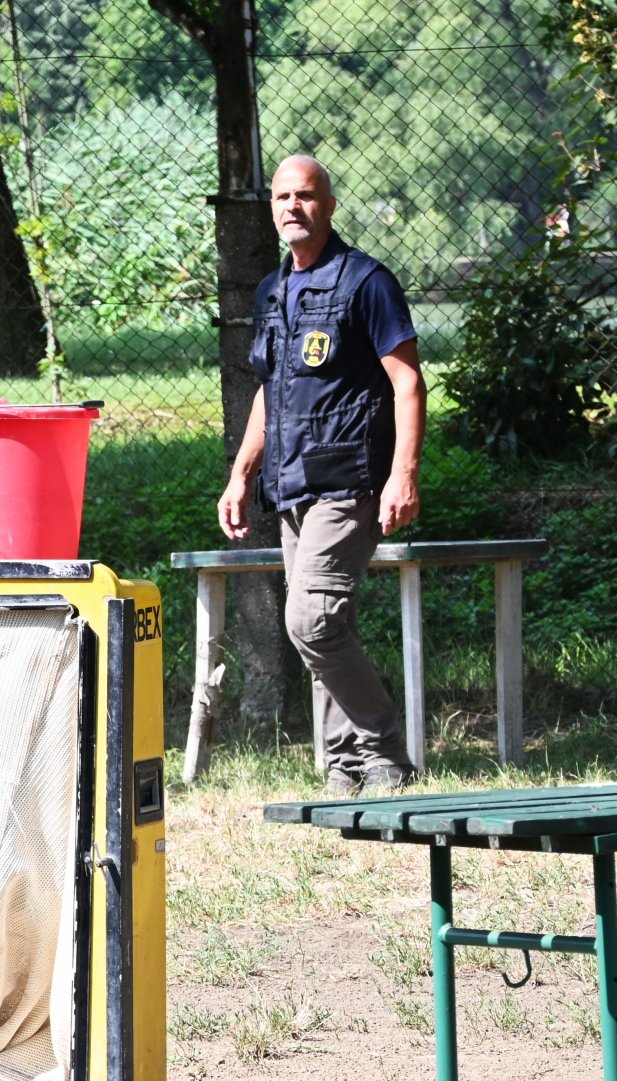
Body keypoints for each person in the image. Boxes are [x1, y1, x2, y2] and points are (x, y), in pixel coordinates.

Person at [217, 154, 427, 797]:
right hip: (289, 487)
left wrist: (403, 476)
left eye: (305, 196)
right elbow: (269, 390)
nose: (291, 207)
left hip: (351, 481)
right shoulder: (273, 290)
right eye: (282, 197)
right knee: (325, 626)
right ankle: (345, 766)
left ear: (329, 205)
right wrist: (241, 473)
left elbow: (408, 382)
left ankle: (387, 749)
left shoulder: (366, 282)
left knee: (311, 622)